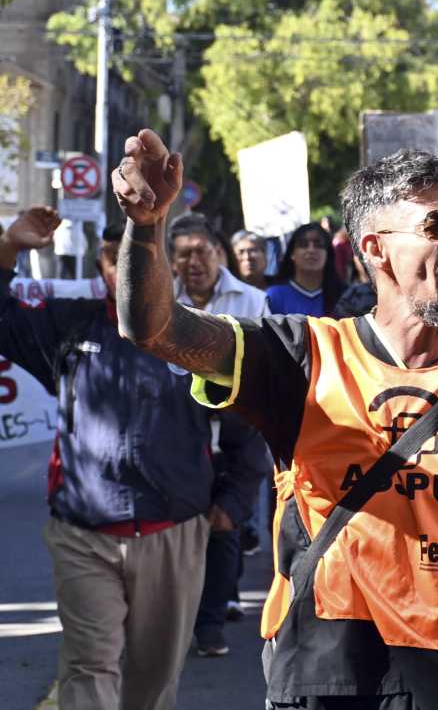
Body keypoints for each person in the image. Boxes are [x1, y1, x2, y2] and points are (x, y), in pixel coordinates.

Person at [112, 133, 438, 710]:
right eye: (437, 226)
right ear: (376, 248)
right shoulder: (301, 356)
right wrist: (146, 225)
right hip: (323, 675)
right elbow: (155, 329)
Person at [0, 210, 269, 710]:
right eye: (112, 257)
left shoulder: (198, 335)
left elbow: (247, 425)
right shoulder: (66, 325)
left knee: (153, 677)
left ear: (163, 266)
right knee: (90, 664)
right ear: (101, 266)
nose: (123, 267)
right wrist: (8, 247)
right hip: (84, 534)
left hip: (174, 533)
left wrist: (233, 499)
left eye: (137, 256)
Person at [167, 213, 273, 656]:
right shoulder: (157, 300)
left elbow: (265, 371)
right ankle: (171, 624)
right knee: (173, 536)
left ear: (219, 253)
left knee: (225, 525)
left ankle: (210, 624)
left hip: (236, 428)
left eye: (201, 251)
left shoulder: (250, 300)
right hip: (174, 433)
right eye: (183, 254)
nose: (194, 262)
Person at [266, 221, 347, 316]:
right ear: (292, 254)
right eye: (303, 245)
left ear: (328, 254)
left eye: (318, 245)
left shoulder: (344, 295)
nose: (311, 250)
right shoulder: (273, 296)